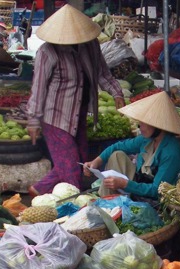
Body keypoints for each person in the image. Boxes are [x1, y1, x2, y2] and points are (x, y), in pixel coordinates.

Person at [27, 5, 125, 197]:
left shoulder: (90, 45)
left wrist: (117, 93)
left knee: (79, 160)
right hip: (55, 118)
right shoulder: (47, 52)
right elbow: (38, 89)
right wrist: (33, 120)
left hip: (78, 115)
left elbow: (102, 74)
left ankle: (38, 189)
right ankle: (76, 208)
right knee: (72, 171)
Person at [82, 91, 180, 201]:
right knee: (117, 155)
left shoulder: (171, 152)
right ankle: (108, 202)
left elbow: (156, 191)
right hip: (142, 183)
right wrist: (96, 161)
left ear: (158, 126)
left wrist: (125, 184)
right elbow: (118, 146)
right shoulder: (146, 140)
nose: (140, 126)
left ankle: (113, 204)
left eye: (144, 123)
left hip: (160, 198)